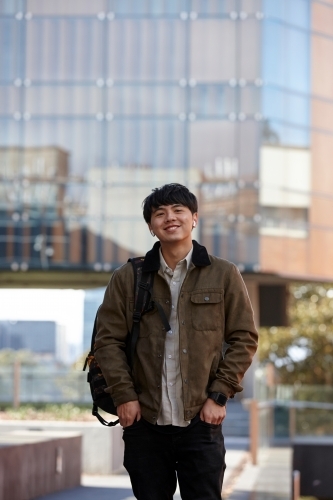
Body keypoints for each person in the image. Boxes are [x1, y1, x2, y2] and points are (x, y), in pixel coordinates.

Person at [95, 183, 258, 500]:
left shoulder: (224, 273)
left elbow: (244, 338)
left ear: (194, 218)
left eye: (178, 210)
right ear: (151, 227)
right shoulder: (127, 278)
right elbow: (108, 341)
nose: (170, 217)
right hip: (144, 420)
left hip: (201, 421)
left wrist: (219, 396)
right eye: (160, 213)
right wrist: (124, 397)